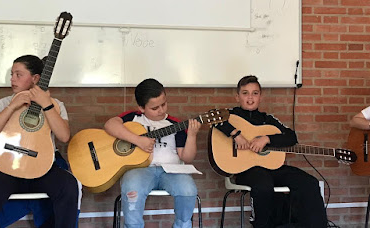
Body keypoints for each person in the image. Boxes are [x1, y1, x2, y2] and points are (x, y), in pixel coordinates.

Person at [0, 55, 81, 228]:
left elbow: (64, 136)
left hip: (42, 167)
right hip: (8, 167)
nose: (12, 79)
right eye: (12, 74)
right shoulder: (4, 102)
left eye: (18, 74)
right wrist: (12, 107)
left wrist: (47, 105)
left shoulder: (56, 104)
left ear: (35, 78)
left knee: (69, 186)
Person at [216, 75, 328, 228]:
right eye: (245, 93)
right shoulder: (230, 115)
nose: (250, 98)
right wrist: (235, 134)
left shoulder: (267, 120)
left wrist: (267, 139)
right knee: (263, 185)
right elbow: (212, 118)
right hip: (246, 170)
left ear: (260, 97)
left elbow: (291, 137)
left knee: (309, 183)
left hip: (272, 168)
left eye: (255, 93)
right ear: (237, 97)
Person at [104, 78, 201, 228]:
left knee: (188, 190)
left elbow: (186, 157)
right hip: (139, 170)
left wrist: (192, 135)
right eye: (155, 108)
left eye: (164, 104)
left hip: (171, 171)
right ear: (142, 108)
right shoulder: (133, 118)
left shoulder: (175, 124)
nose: (161, 110)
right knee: (132, 188)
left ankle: (182, 225)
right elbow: (110, 125)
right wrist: (137, 140)